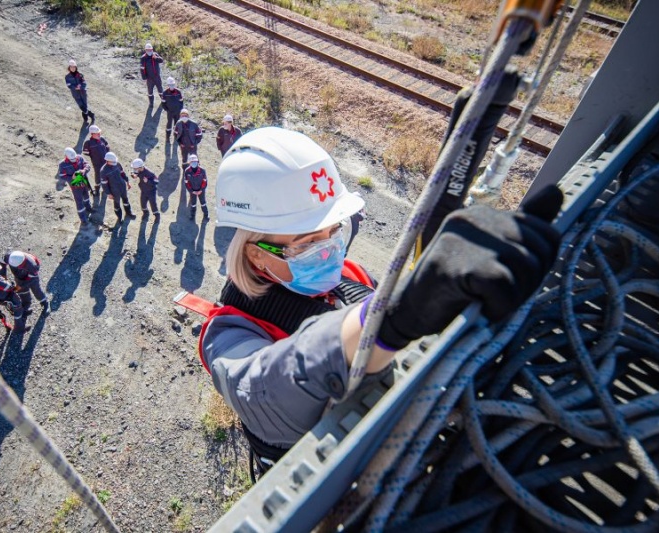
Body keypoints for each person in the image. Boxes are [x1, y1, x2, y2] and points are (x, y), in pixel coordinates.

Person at [198, 127, 561, 472]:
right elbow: (265, 389)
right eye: (307, 242)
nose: (328, 251)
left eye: (333, 231)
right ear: (255, 254)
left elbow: (412, 303)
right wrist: (394, 317)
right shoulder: (228, 335)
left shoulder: (348, 276)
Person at [2, 250, 50, 316]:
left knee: (36, 289)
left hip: (31, 277)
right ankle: (26, 305)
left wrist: (21, 286)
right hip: (19, 276)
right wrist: (3, 276)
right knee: (22, 291)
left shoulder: (32, 265)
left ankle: (45, 302)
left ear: (22, 263)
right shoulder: (9, 256)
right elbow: (2, 263)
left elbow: (32, 279)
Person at [57, 147, 94, 227]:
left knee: (86, 195)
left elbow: (87, 165)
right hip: (75, 185)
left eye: (75, 158)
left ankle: (88, 207)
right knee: (79, 201)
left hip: (83, 181)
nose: (74, 159)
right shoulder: (62, 164)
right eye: (72, 159)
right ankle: (83, 219)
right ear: (66, 156)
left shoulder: (79, 158)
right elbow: (62, 176)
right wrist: (72, 177)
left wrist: (84, 170)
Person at [101, 152, 137, 224]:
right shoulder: (103, 171)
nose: (115, 162)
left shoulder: (117, 164)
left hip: (122, 186)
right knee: (117, 203)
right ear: (107, 161)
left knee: (125, 200)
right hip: (114, 190)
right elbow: (104, 184)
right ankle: (119, 217)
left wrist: (127, 181)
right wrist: (108, 193)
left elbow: (122, 173)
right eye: (113, 162)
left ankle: (128, 212)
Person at [82, 125, 109, 195]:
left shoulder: (102, 139)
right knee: (98, 176)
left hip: (106, 162)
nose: (99, 134)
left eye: (99, 132)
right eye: (97, 133)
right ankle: (97, 189)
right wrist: (94, 156)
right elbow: (85, 152)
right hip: (97, 164)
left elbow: (107, 147)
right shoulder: (88, 143)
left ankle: (107, 188)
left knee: (107, 174)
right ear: (92, 134)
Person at [183, 154, 208, 221]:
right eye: (192, 162)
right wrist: (192, 191)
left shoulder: (202, 171)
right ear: (190, 163)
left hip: (201, 191)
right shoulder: (187, 171)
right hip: (192, 191)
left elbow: (205, 181)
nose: (194, 163)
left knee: (203, 203)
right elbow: (186, 183)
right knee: (193, 204)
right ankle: (192, 216)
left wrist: (201, 190)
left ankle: (206, 215)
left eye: (195, 161)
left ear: (197, 162)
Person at [161, 77, 184, 141]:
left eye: (173, 85)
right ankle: (167, 137)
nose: (172, 86)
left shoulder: (178, 92)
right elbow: (163, 103)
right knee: (169, 125)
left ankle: (176, 136)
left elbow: (181, 101)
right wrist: (167, 110)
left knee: (177, 125)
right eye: (170, 85)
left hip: (177, 112)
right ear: (168, 85)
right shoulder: (165, 93)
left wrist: (180, 109)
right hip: (170, 112)